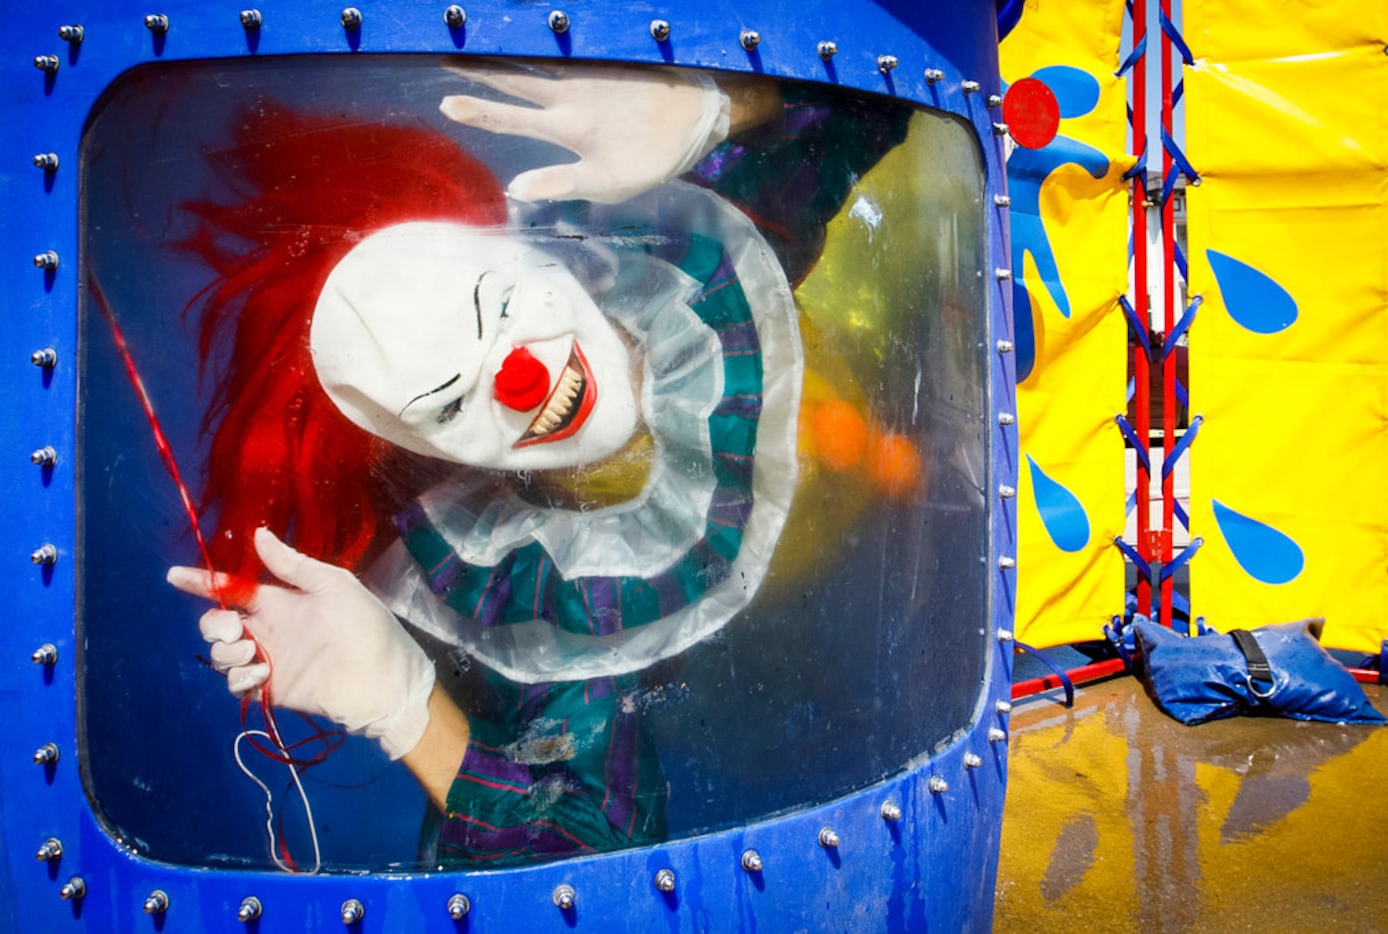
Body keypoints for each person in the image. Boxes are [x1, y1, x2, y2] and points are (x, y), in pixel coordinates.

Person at [167, 60, 915, 865]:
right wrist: (407, 711)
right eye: (450, 404)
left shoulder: (667, 231)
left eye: (500, 305)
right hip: (815, 631)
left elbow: (899, 83)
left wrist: (723, 105)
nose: (523, 381)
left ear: (526, 252)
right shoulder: (543, 609)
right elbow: (586, 865)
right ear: (419, 448)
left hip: (884, 396)